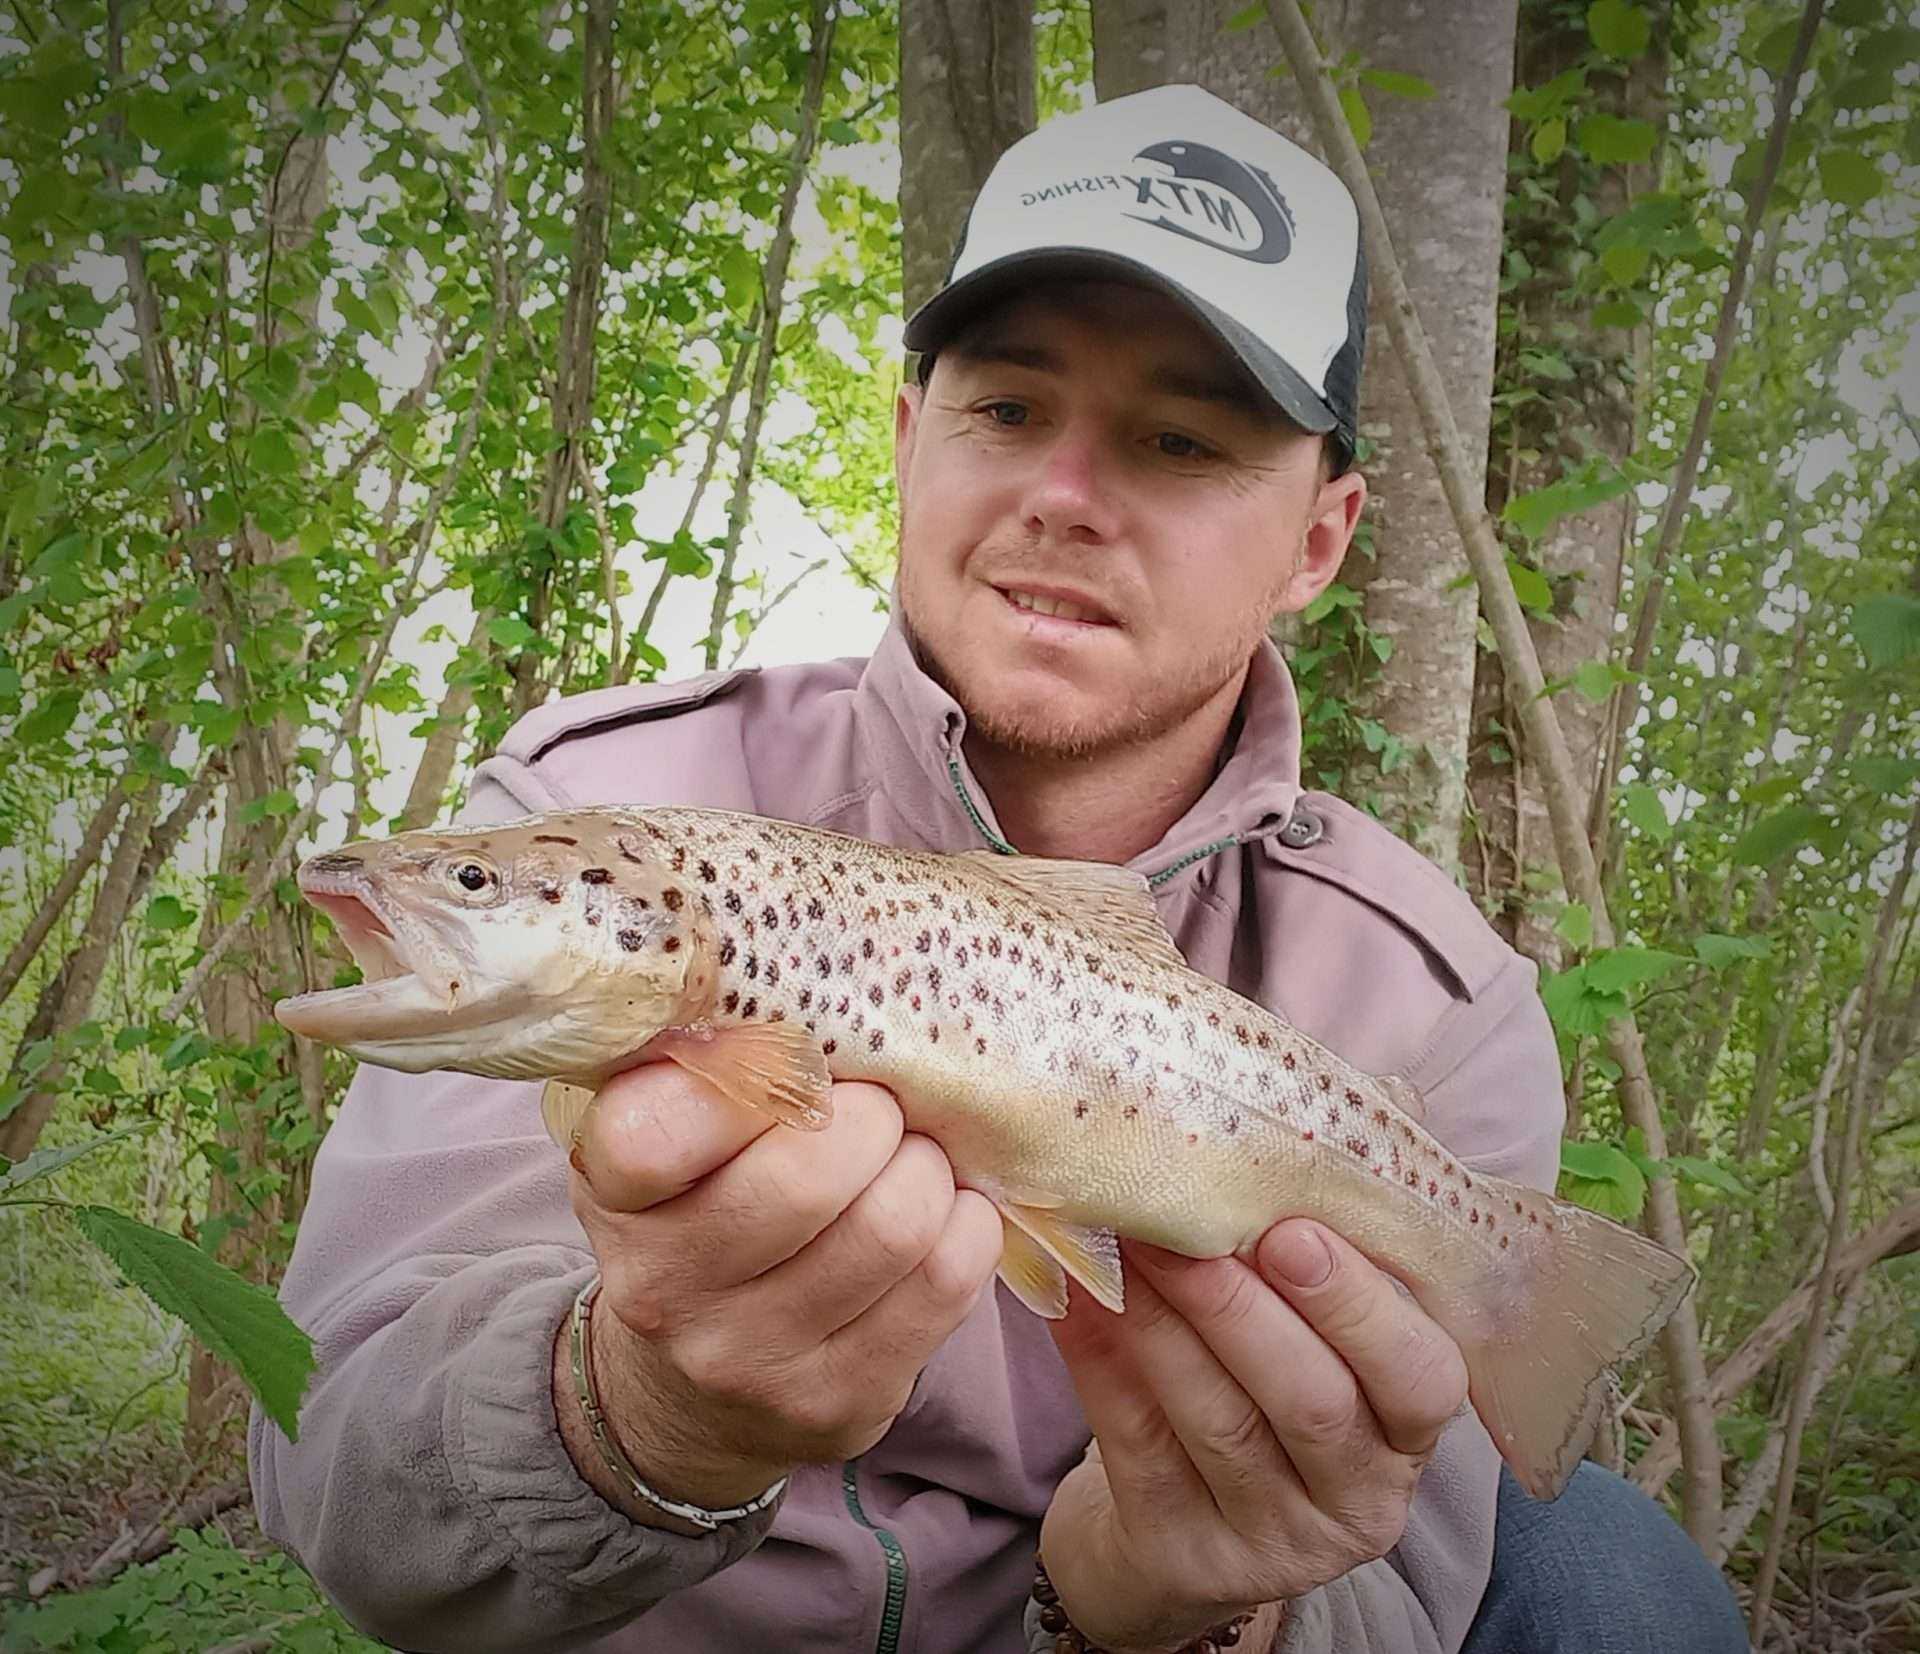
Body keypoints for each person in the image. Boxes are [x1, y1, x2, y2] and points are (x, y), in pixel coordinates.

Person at [249, 83, 1745, 1654]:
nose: (1066, 496)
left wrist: (1179, 1601)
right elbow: (334, 1465)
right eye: (1008, 410)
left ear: (1322, 538)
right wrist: (638, 1416)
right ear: (911, 440)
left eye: (1180, 439)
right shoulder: (603, 790)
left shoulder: (1432, 996)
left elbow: (1400, 1598)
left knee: (1608, 1573)